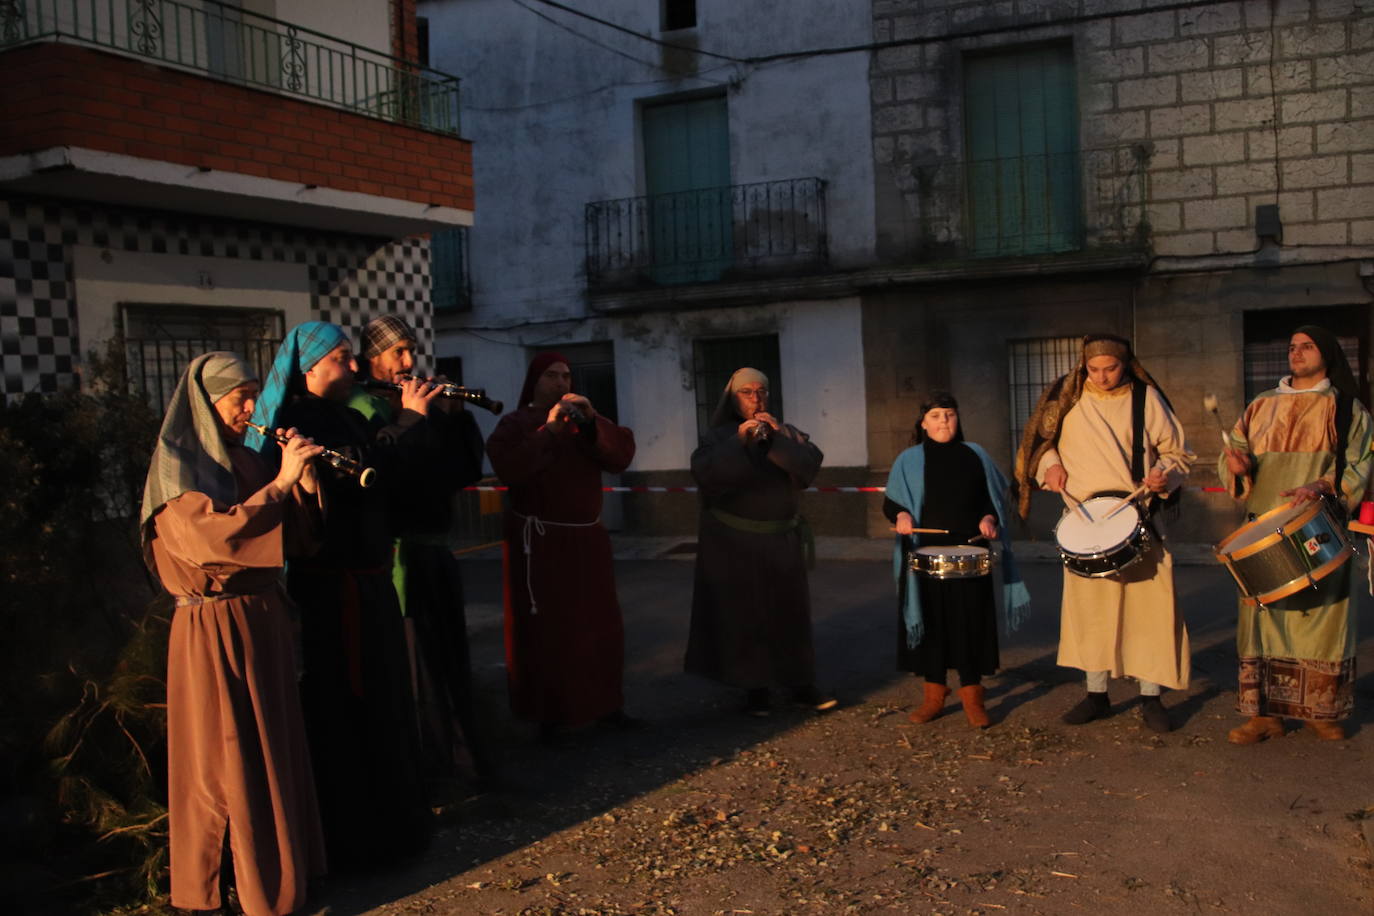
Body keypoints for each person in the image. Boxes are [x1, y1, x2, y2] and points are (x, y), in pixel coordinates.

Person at [140, 351, 326, 916]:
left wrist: (303, 483)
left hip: (261, 618)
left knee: (268, 749)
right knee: (222, 758)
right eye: (237, 397)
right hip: (211, 625)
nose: (250, 407)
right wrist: (281, 484)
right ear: (205, 401)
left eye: (252, 393)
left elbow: (296, 541)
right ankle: (216, 891)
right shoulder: (177, 469)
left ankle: (275, 876)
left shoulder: (247, 461)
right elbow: (214, 543)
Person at [249, 321, 435, 865]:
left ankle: (396, 825)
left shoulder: (346, 415)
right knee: (345, 710)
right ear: (307, 368)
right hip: (332, 593)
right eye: (341, 359)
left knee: (385, 705)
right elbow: (358, 480)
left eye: (353, 358)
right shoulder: (293, 422)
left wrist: (422, 424)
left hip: (372, 583)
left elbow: (398, 483)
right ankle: (355, 838)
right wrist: (405, 425)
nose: (354, 368)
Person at [1015, 334, 1193, 733]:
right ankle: (1096, 695)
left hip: (1140, 515)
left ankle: (1151, 697)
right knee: (1091, 613)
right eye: (1093, 370)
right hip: (1085, 519)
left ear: (1125, 364)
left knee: (1150, 612)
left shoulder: (1146, 398)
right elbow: (1040, 444)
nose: (1101, 377)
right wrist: (1050, 466)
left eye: (1110, 369)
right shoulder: (1066, 396)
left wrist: (1164, 474)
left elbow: (1177, 451)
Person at [348, 315, 493, 785]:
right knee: (417, 669)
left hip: (436, 551)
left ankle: (462, 756)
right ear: (372, 358)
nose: (409, 362)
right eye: (398, 353)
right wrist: (412, 419)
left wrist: (455, 418)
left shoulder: (411, 402)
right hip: (399, 557)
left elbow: (457, 474)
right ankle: (426, 768)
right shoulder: (364, 407)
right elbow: (393, 478)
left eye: (412, 350)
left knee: (450, 658)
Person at [1218, 326, 1372, 743]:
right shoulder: (1259, 405)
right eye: (1291, 347)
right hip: (1263, 529)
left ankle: (1321, 711)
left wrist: (1322, 486)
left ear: (1327, 353)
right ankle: (1263, 715)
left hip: (1318, 524)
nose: (1296, 353)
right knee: (1263, 622)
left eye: (1306, 346)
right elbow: (1233, 452)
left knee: (1321, 617)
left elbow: (1358, 465)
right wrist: (1235, 468)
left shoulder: (1346, 408)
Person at [485, 352, 637, 743]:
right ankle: (549, 714)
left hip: (587, 541)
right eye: (552, 376)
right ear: (534, 382)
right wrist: (548, 432)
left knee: (599, 626)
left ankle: (605, 704)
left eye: (567, 376)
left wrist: (591, 423)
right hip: (539, 545)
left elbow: (620, 454)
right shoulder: (515, 424)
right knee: (547, 632)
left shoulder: (584, 422)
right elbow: (510, 467)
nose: (562, 383)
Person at [686, 367, 833, 717]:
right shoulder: (717, 438)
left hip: (781, 541)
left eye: (761, 392)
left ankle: (800, 684)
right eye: (747, 393)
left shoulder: (787, 432)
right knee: (746, 617)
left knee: (790, 616)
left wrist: (778, 438)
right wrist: (740, 442)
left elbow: (808, 468)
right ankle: (756, 688)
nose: (756, 399)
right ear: (733, 398)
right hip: (736, 544)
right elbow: (709, 476)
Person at [884, 392, 1031, 728]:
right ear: (923, 423)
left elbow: (992, 499)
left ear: (958, 419)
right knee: (933, 626)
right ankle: (934, 696)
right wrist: (903, 514)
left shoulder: (975, 455)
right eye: (936, 416)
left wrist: (989, 519)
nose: (943, 421)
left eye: (949, 414)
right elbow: (891, 503)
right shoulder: (907, 460)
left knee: (969, 626)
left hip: (971, 553)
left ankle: (972, 696)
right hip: (925, 557)